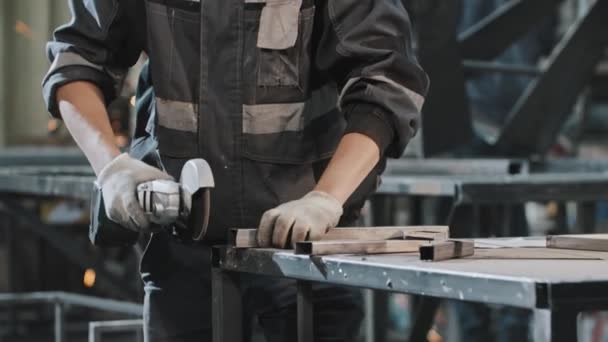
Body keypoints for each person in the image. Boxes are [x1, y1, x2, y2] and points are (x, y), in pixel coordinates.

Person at [42, 0, 428, 340]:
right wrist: (112, 167)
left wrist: (325, 199)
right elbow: (76, 60)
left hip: (307, 259)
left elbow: (386, 84)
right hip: (183, 253)